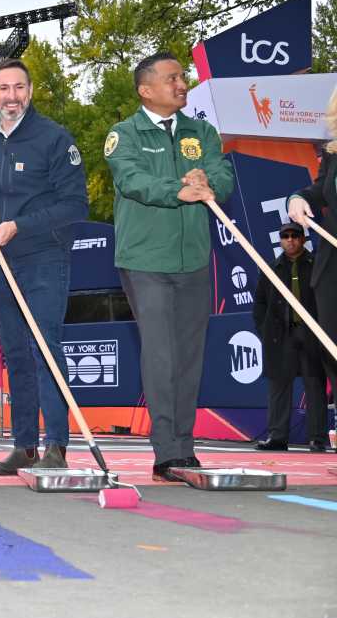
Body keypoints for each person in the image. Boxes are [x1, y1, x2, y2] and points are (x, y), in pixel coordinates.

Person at [105, 52, 235, 479]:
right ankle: (166, 451)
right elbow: (131, 179)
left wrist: (207, 183)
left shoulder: (202, 132)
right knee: (161, 352)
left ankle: (185, 443)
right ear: (146, 89)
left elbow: (224, 176)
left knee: (189, 356)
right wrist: (176, 189)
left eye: (183, 76)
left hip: (194, 258)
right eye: (172, 78)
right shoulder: (124, 134)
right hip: (145, 260)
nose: (182, 83)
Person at [0, 59, 88, 475]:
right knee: (15, 352)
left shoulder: (54, 138)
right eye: (2, 88)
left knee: (45, 349)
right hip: (0, 259)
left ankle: (57, 445)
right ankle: (25, 445)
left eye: (19, 87)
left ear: (29, 92)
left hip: (44, 257)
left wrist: (19, 225)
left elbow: (74, 205)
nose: (11, 96)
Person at [252, 222, 329, 452]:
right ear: (280, 240)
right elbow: (260, 303)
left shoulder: (316, 264)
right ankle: (277, 437)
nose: (290, 240)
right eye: (285, 236)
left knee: (314, 386)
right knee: (278, 386)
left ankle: (317, 438)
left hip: (311, 334)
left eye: (295, 235)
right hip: (281, 336)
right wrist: (265, 331)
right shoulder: (272, 267)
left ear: (304, 239)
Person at [287, 95, 337, 441]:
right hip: (333, 265)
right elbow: (321, 190)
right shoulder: (333, 153)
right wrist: (300, 198)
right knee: (332, 343)